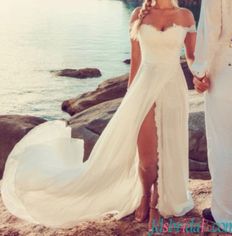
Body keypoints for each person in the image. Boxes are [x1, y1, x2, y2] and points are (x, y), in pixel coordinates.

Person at [1, 0, 196, 231]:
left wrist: (201, 76)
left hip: (173, 88)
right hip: (143, 90)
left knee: (170, 148)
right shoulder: (138, 15)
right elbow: (136, 62)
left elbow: (192, 57)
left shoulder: (185, 16)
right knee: (147, 159)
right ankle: (144, 196)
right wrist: (129, 98)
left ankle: (157, 202)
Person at [191, 0, 232, 233]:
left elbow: (210, 30)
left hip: (229, 65)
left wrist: (200, 73)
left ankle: (226, 215)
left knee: (224, 144)